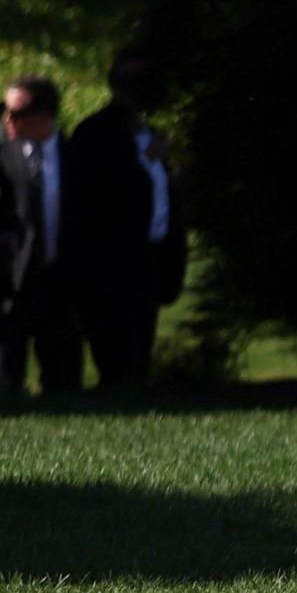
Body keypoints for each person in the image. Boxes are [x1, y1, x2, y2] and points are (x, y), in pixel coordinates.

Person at [61, 52, 186, 391]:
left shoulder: (150, 134)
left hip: (151, 252)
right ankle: (115, 389)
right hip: (111, 254)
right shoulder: (96, 134)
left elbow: (163, 195)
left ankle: (135, 388)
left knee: (142, 333)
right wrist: (147, 162)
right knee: (114, 337)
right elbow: (97, 191)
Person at [0, 75, 83, 396]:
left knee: (63, 373)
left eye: (17, 113)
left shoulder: (75, 157)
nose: (8, 121)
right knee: (4, 373)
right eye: (6, 111)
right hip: (13, 276)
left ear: (43, 115)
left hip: (61, 274)